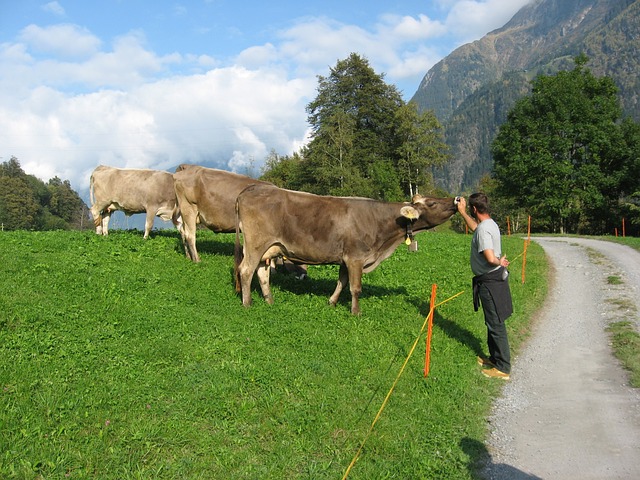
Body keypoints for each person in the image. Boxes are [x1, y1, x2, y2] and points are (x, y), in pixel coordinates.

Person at [457, 193, 513, 380]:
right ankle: (495, 359)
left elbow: (489, 259)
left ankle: (503, 368)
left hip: (490, 282)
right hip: (492, 279)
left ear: (475, 209)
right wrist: (462, 213)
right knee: (491, 321)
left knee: (496, 324)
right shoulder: (490, 224)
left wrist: (499, 261)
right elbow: (476, 228)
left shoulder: (483, 230)